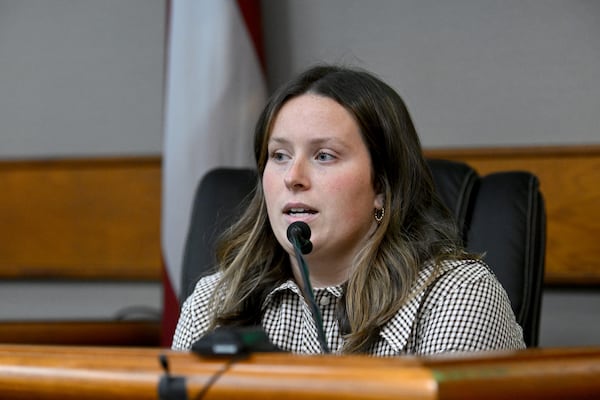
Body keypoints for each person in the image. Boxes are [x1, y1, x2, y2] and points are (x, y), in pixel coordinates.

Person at [172, 64, 525, 355]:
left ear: (382, 187)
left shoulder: (456, 296)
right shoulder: (215, 299)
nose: (292, 178)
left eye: (324, 156)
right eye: (279, 155)